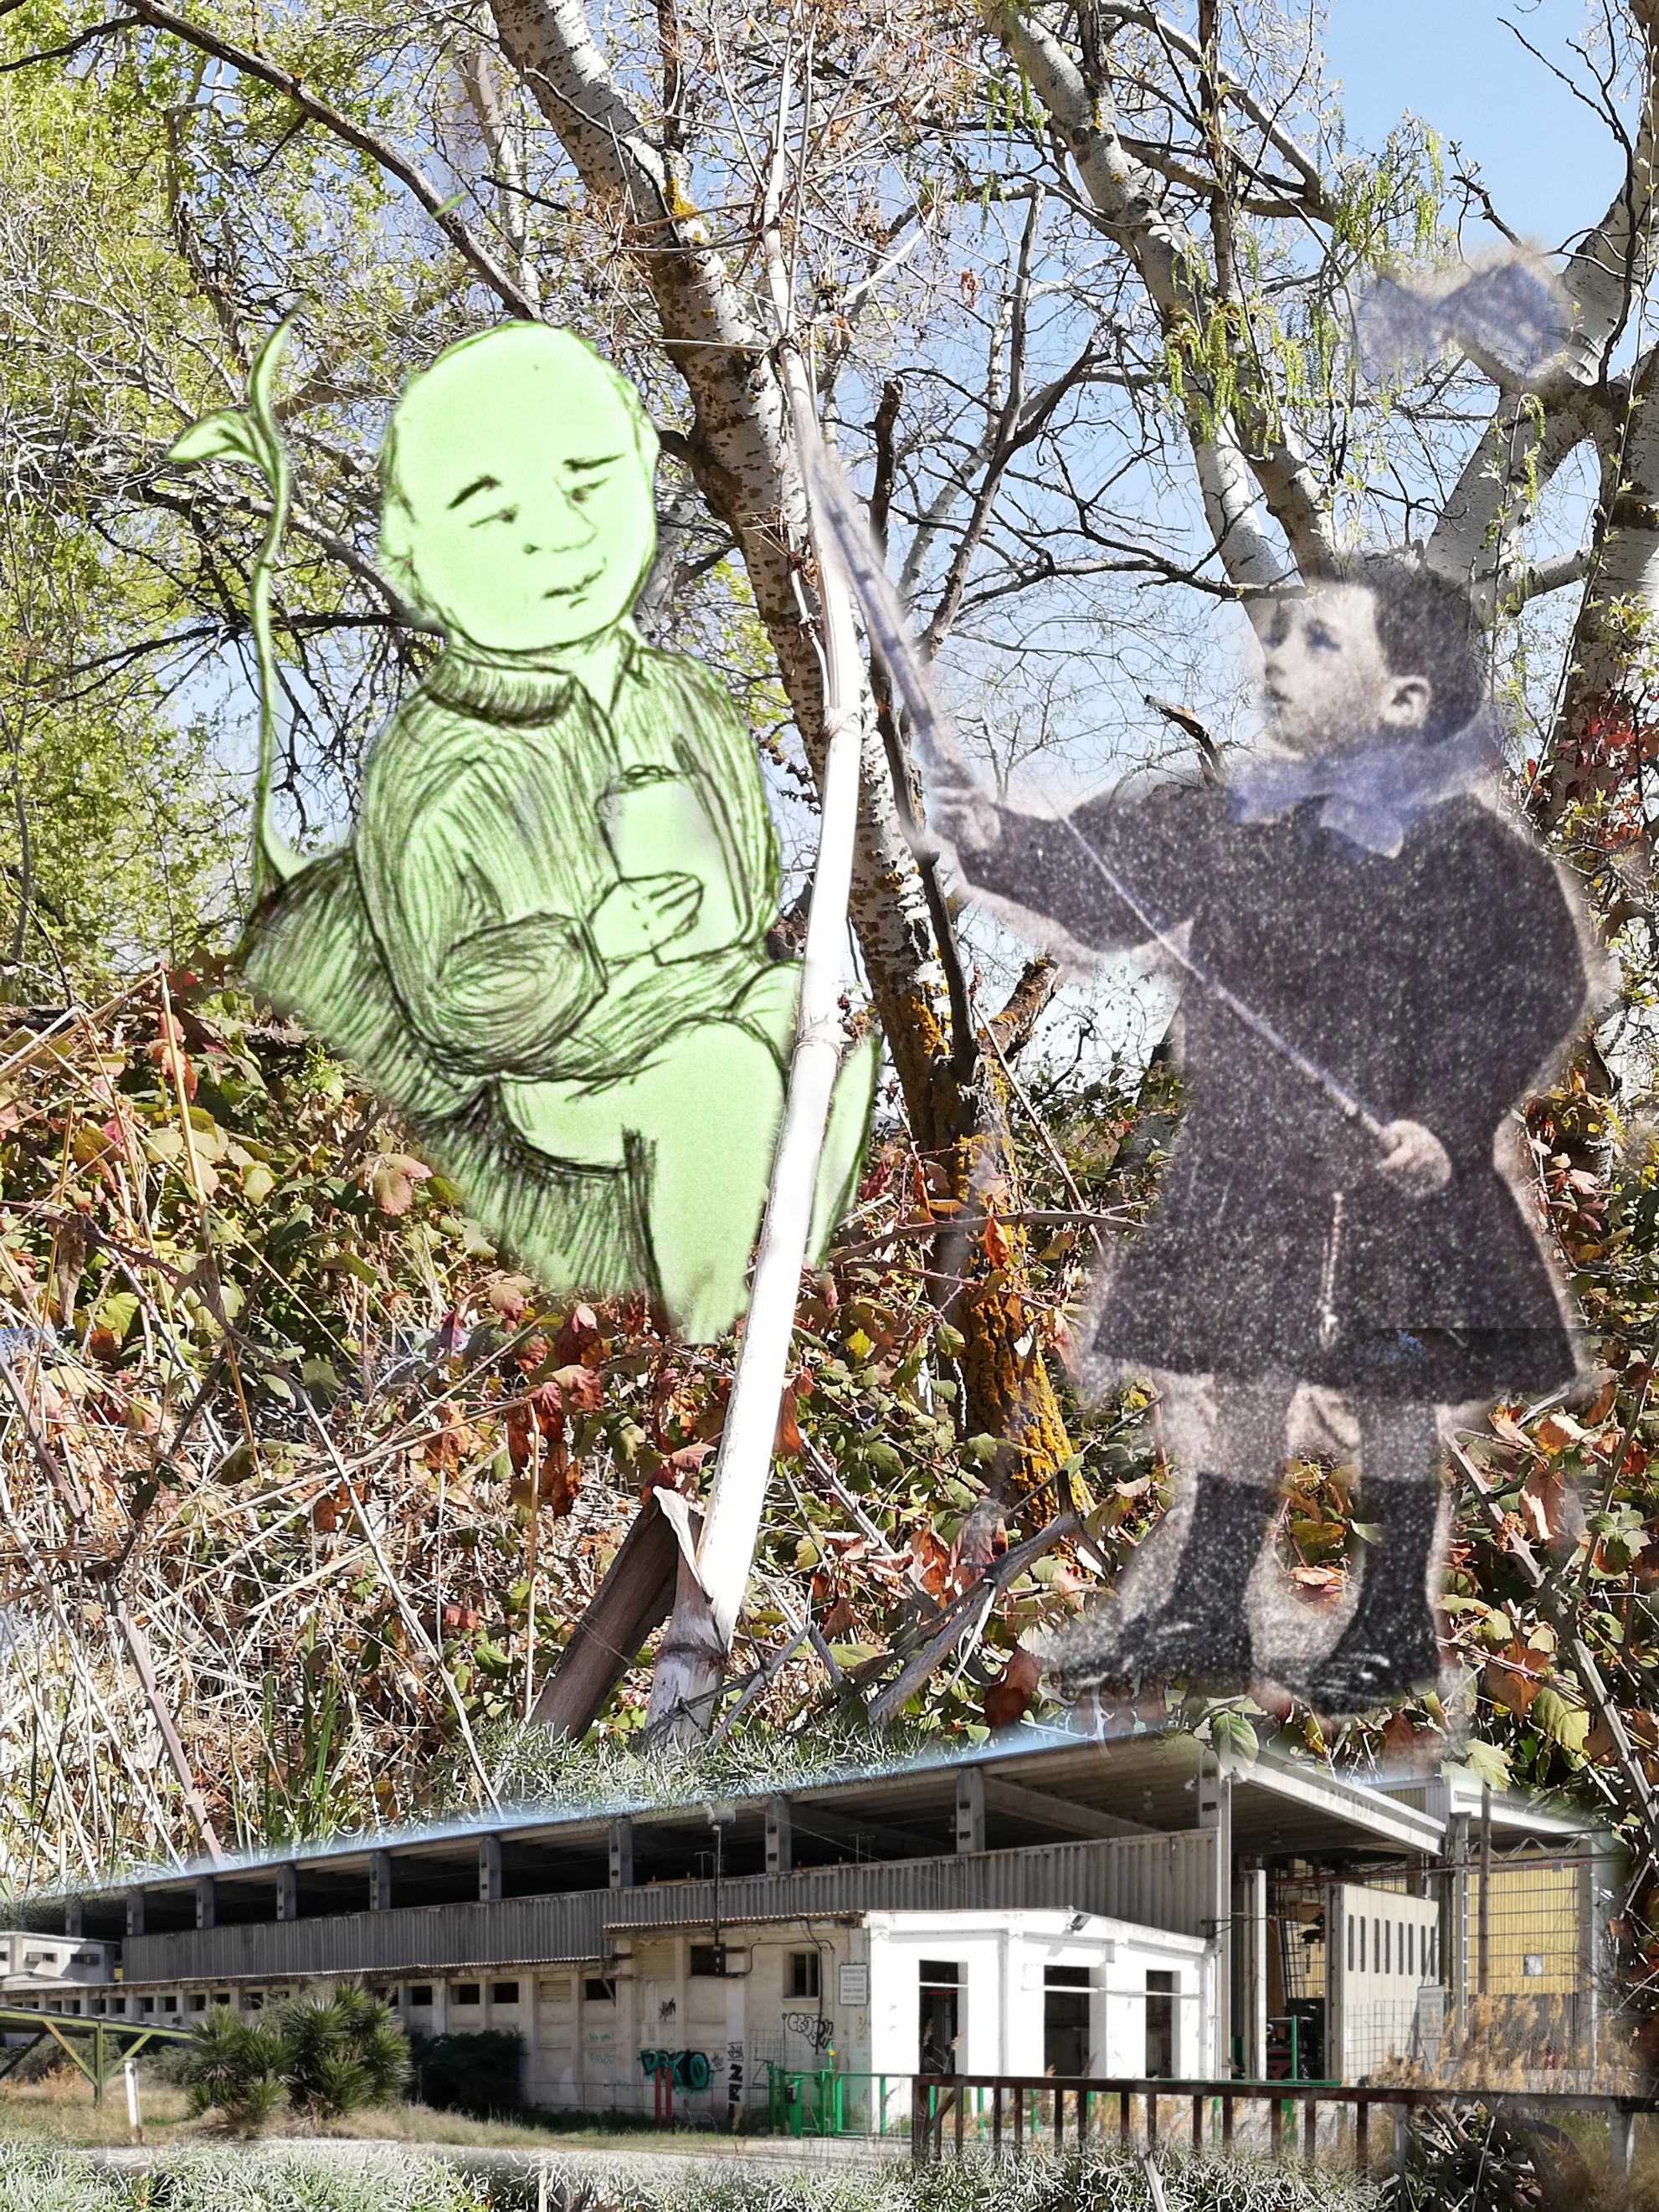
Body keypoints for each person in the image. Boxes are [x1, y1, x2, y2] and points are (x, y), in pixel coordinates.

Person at [932, 557, 1595, 1711]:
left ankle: (1393, 1623)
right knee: (1243, 1378)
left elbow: (1534, 984)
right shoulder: (1245, 816)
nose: (1275, 658)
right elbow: (1109, 878)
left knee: (1393, 1389)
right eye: (1280, 638)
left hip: (1398, 1172)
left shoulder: (1467, 851)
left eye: (1318, 643)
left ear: (1404, 698)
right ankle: (1202, 1610)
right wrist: (999, 837)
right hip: (1255, 1166)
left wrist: (1446, 1119)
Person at [241, 324, 875, 1340]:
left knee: (815, 1022)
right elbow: (448, 1000)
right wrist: (595, 941)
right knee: (714, 1074)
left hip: (705, 990)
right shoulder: (440, 758)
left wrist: (705, 891)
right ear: (412, 554)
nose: (556, 535)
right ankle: (706, 1338)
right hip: (564, 1063)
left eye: (587, 483)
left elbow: (750, 888)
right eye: (491, 511)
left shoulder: (680, 700)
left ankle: (797, 1293)